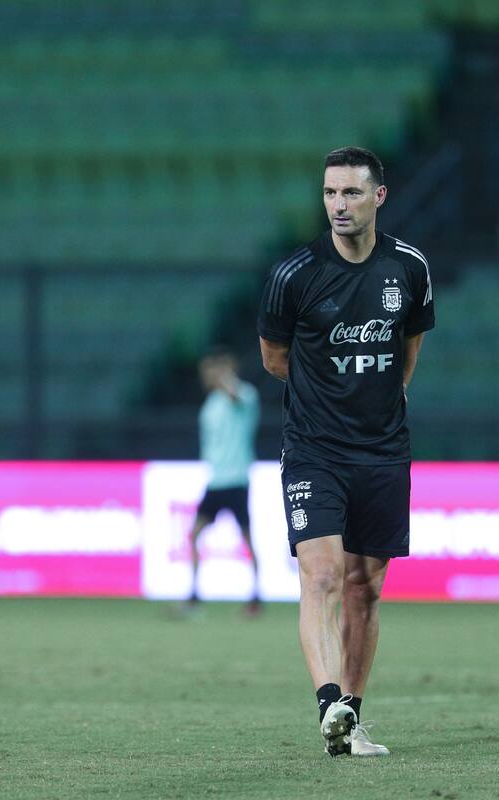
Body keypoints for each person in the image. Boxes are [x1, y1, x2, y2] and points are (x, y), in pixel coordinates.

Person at [256, 146, 435, 758]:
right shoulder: (295, 276)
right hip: (314, 451)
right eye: (331, 193)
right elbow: (274, 360)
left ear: (378, 197)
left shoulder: (409, 268)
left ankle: (350, 720)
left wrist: (378, 400)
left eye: (352, 193)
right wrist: (326, 402)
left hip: (384, 452)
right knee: (324, 576)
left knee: (366, 588)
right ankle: (328, 699)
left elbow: (408, 347)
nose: (339, 205)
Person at [187, 349, 262, 615]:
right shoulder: (212, 402)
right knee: (194, 534)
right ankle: (194, 596)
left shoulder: (244, 394)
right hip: (216, 479)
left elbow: (235, 396)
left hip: (236, 478)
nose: (205, 377)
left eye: (210, 371)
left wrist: (225, 376)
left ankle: (255, 597)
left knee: (247, 539)